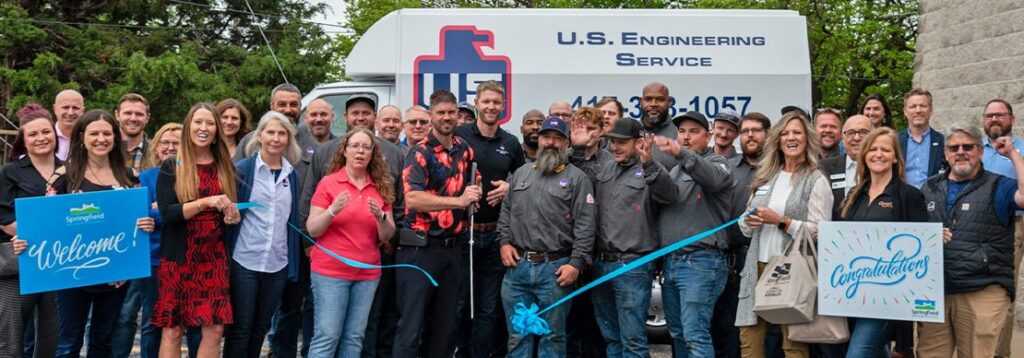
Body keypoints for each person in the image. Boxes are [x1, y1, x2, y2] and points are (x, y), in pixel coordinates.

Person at [299, 94, 406, 358]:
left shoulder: (380, 187)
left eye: (366, 148)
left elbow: (388, 233)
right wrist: (332, 210)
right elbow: (313, 228)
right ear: (344, 150)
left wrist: (382, 218)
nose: (360, 151)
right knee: (327, 336)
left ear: (373, 153)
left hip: (368, 273)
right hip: (331, 272)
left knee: (354, 337)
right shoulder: (329, 183)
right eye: (355, 146)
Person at [570, 112, 677, 357]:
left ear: (638, 142)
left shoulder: (651, 168)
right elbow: (576, 184)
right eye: (613, 141)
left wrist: (650, 163)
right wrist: (577, 149)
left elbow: (670, 195)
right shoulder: (604, 167)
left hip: (633, 266)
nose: (615, 146)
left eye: (621, 142)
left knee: (633, 339)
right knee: (611, 338)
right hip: (601, 263)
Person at [52, 109, 156, 358]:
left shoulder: (130, 178)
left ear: (114, 137)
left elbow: (138, 220)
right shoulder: (64, 177)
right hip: (72, 274)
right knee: (68, 343)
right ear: (82, 138)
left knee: (103, 342)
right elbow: (49, 226)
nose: (101, 138)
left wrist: (146, 224)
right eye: (94, 133)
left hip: (115, 275)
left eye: (107, 133)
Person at [917, 123, 1024, 357]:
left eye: (968, 146)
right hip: (936, 291)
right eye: (954, 148)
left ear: (981, 151)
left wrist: (1013, 154)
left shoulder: (999, 185)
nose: (961, 152)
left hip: (982, 288)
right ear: (946, 153)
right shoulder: (930, 186)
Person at [736, 112, 832, 358]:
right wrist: (749, 220)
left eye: (797, 132)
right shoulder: (766, 176)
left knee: (794, 345)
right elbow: (745, 226)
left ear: (807, 139)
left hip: (792, 269)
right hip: (757, 265)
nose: (791, 137)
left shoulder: (815, 179)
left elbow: (822, 230)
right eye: (785, 133)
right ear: (777, 140)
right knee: (749, 342)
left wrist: (782, 221)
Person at [498, 116, 596, 357]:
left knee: (552, 336)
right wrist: (503, 242)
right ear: (538, 140)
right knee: (517, 334)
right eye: (546, 137)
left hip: (555, 270)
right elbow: (506, 213)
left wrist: (576, 263)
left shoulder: (577, 179)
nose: (551, 142)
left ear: (566, 143)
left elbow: (586, 224)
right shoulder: (521, 173)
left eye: (557, 138)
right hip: (518, 268)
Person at [394, 89, 481, 358]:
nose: (447, 117)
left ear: (458, 114)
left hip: (453, 249)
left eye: (451, 112)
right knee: (411, 327)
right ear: (431, 116)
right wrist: (459, 202)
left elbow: (469, 187)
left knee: (445, 329)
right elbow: (412, 198)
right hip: (420, 250)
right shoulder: (419, 152)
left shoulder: (464, 150)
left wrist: (475, 194)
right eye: (441, 112)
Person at [153, 103, 241, 358]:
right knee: (173, 330)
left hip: (214, 259)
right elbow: (168, 214)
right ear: (188, 126)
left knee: (214, 330)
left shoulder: (225, 166)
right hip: (179, 259)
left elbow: (228, 212)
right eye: (198, 122)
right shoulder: (173, 165)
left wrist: (231, 216)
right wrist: (206, 201)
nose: (203, 128)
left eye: (210, 123)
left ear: (217, 130)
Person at [833, 127, 927, 357]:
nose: (878, 154)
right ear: (864, 155)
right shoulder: (854, 195)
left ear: (895, 157)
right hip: (853, 295)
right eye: (873, 149)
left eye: (885, 149)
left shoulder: (909, 196)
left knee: (858, 353)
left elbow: (920, 254)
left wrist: (906, 342)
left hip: (887, 302)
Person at [112, 122, 202, 358]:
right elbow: (141, 213)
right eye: (165, 142)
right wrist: (173, 210)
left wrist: (164, 210)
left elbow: (196, 213)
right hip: (153, 257)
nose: (170, 147)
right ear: (156, 146)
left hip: (188, 256)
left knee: (189, 320)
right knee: (152, 320)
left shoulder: (194, 175)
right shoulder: (147, 177)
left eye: (176, 143)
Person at [451, 80, 525, 358]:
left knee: (488, 308)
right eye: (486, 102)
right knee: (459, 304)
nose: (491, 106)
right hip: (463, 234)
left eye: (496, 102)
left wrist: (510, 188)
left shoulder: (511, 143)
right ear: (477, 104)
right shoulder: (459, 136)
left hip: (495, 236)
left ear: (503, 106)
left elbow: (524, 183)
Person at [654, 111, 735, 357]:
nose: (686, 137)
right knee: (678, 333)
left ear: (708, 136)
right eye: (682, 131)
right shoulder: (677, 170)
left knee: (695, 335)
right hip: (673, 263)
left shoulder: (719, 163)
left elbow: (711, 178)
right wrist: (648, 161)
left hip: (701, 263)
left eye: (693, 131)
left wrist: (680, 153)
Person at [225, 112, 303, 358]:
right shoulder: (244, 169)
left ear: (289, 139)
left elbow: (291, 220)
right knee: (241, 328)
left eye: (282, 133)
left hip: (276, 264)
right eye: (270, 132)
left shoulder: (292, 175)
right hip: (244, 260)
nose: (276, 138)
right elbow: (229, 213)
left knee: (261, 328)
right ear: (259, 136)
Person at [0, 103, 62, 358]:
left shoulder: (70, 169)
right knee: (10, 338)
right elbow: (3, 217)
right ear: (23, 141)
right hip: (20, 262)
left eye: (45, 132)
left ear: (55, 136)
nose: (41, 138)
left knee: (52, 335)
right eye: (33, 134)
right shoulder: (9, 172)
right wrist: (40, 236)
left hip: (59, 262)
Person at [715, 112, 774, 358]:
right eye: (745, 130)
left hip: (771, 257)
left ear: (768, 135)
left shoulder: (780, 170)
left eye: (756, 130)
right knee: (731, 326)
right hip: (734, 259)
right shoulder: (726, 169)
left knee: (772, 326)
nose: (750, 135)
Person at [561, 107, 610, 358]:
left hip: (600, 252)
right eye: (580, 128)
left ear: (602, 132)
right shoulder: (563, 159)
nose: (586, 134)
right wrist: (575, 149)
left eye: (592, 129)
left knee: (596, 324)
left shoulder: (610, 161)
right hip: (567, 251)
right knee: (567, 322)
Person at [981, 99, 1024, 358]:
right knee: (1002, 292)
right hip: (1000, 225)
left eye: (1000, 114)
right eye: (989, 115)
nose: (994, 119)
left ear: (1012, 118)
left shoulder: (1021, 148)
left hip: (1020, 218)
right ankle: (999, 353)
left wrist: (1013, 154)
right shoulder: (977, 150)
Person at [819, 115, 873, 218]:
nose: (857, 138)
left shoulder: (882, 168)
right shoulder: (824, 168)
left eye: (863, 132)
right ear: (843, 138)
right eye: (851, 133)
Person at [898, 88, 946, 188]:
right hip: (902, 199)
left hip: (931, 200)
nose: (918, 110)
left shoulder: (942, 141)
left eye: (923, 106)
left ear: (931, 110)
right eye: (913, 106)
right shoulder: (895, 141)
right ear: (905, 111)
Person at [639, 82, 680, 169]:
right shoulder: (630, 131)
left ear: (669, 102)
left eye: (660, 99)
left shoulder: (679, 133)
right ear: (641, 102)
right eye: (648, 99)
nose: (653, 104)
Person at [116, 93, 151, 174]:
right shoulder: (104, 150)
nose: (133, 118)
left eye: (139, 114)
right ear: (117, 115)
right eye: (128, 113)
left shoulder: (157, 152)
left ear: (147, 118)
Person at [53, 89, 85, 161]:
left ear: (82, 111)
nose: (70, 112)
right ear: (55, 109)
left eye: (75, 108)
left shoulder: (88, 139)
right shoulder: (45, 138)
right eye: (65, 107)